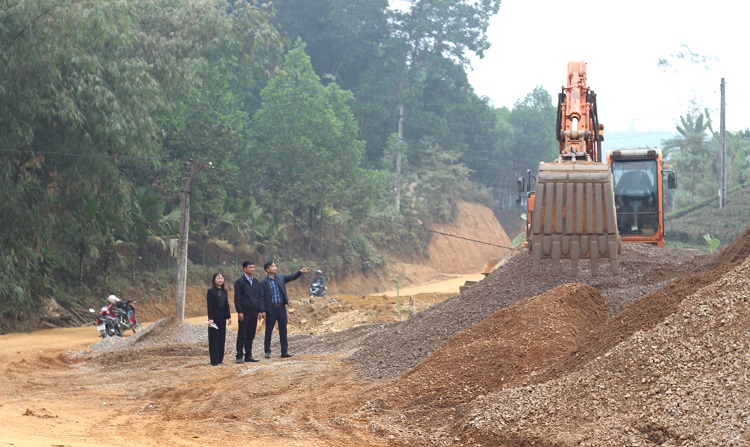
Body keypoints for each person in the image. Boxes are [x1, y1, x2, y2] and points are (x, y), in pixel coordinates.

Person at [259, 261, 307, 359]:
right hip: (271, 309)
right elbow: (261, 298)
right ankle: (267, 351)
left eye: (275, 266)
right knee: (269, 330)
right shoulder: (263, 283)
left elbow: (291, 277)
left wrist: (299, 272)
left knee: (283, 330)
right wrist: (262, 310)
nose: (275, 267)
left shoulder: (280, 278)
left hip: (281, 308)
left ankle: (284, 351)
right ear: (267, 270)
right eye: (272, 266)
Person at [233, 260, 265, 363]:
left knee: (251, 334)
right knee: (242, 334)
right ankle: (239, 356)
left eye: (253, 267)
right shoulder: (239, 282)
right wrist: (239, 311)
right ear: (245, 269)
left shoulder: (256, 282)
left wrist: (260, 310)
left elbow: (259, 297)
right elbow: (237, 298)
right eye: (250, 267)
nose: (252, 269)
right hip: (244, 312)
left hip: (254, 312)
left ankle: (248, 355)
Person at [206, 272, 232, 366]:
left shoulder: (224, 291)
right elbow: (210, 306)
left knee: (222, 338)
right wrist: (211, 318)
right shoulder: (211, 291)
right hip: (215, 318)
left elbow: (226, 305)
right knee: (214, 339)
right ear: (214, 280)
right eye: (218, 278)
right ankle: (214, 361)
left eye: (221, 278)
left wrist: (228, 316)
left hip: (222, 318)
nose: (220, 280)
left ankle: (220, 359)